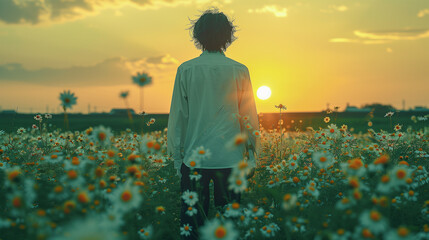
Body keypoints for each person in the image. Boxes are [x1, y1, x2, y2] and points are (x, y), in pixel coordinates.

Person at [167, 7, 260, 240]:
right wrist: (253, 157)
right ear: (228, 37)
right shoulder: (240, 70)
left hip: (194, 159)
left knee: (191, 227)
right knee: (229, 227)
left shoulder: (185, 70)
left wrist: (178, 160)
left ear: (198, 37)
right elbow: (249, 119)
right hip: (231, 159)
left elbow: (178, 117)